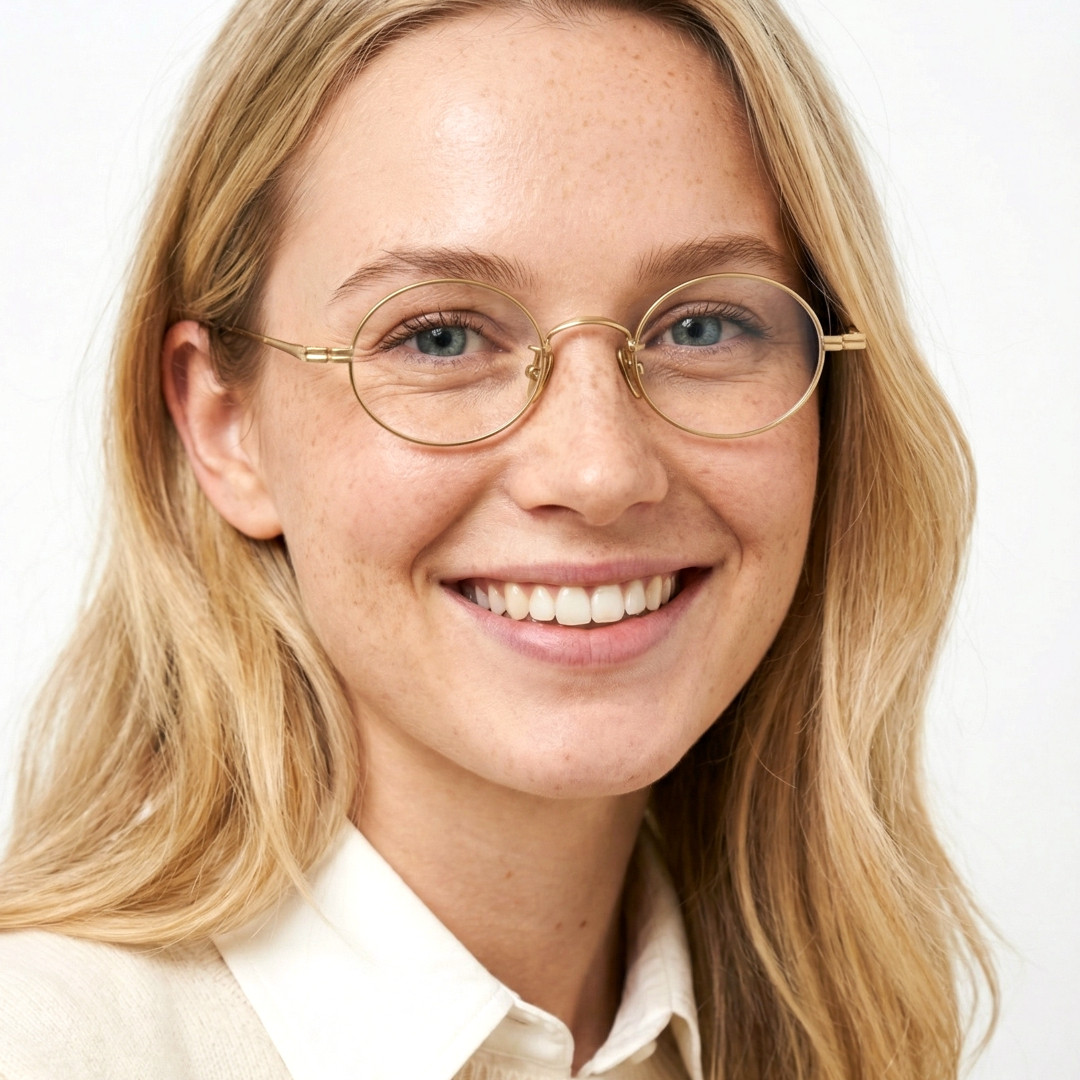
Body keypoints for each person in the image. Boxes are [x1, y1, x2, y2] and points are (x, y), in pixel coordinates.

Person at [0, 1, 996, 1078]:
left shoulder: (839, 1041)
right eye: (440, 336)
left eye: (701, 326)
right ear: (223, 425)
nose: (599, 471)